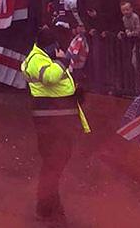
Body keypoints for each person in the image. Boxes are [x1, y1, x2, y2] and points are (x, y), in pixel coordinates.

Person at [20, 28, 91, 222]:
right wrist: (64, 60)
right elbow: (51, 77)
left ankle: (48, 207)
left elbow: (56, 84)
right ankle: (48, 209)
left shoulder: (45, 57)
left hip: (59, 123)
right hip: (50, 124)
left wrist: (74, 93)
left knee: (54, 165)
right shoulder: (37, 59)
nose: (58, 50)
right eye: (55, 47)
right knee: (53, 166)